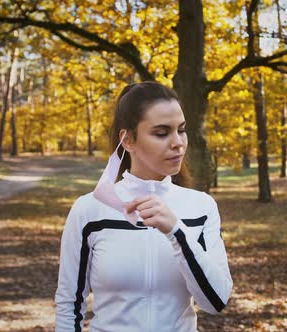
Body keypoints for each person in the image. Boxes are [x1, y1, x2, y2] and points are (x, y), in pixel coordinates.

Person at [55, 81, 233, 332]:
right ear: (128, 140)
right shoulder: (89, 210)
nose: (178, 143)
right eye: (161, 133)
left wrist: (176, 231)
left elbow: (216, 302)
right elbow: (69, 305)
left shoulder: (201, 207)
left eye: (181, 130)